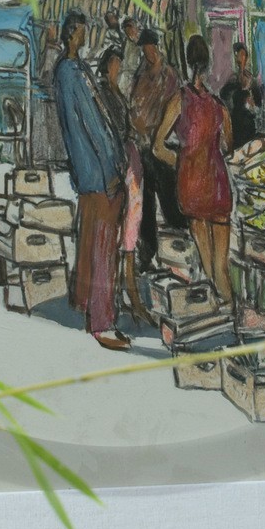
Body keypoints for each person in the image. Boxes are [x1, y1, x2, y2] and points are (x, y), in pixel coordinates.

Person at [52, 11, 129, 351]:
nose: (85, 36)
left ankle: (83, 301)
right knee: (103, 246)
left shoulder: (73, 68)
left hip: (88, 170)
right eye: (82, 31)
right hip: (97, 171)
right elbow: (92, 126)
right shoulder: (71, 72)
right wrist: (112, 168)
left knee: (90, 240)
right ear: (72, 33)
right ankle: (102, 321)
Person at [153, 35, 233, 305]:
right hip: (218, 185)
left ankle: (215, 314)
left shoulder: (179, 100)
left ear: (188, 63)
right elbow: (228, 145)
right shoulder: (219, 106)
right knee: (222, 268)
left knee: (207, 265)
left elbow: (157, 147)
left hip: (193, 186)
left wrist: (182, 161)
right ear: (208, 64)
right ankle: (230, 310)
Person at [97, 47, 152, 324]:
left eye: (119, 62)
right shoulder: (104, 94)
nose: (118, 67)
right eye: (115, 63)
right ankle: (127, 294)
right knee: (126, 227)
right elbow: (113, 131)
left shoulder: (116, 92)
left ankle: (128, 292)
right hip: (121, 163)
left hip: (130, 161)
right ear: (107, 65)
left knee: (132, 224)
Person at [128, 28, 185, 270]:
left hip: (161, 145)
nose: (146, 52)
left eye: (148, 48)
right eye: (143, 49)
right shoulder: (141, 74)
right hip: (143, 145)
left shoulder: (169, 74)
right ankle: (147, 254)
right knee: (147, 203)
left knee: (170, 202)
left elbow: (175, 110)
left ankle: (178, 255)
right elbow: (134, 103)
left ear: (155, 46)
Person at [217, 41, 263, 151]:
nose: (241, 58)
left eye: (243, 55)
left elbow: (259, 104)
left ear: (246, 57)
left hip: (250, 124)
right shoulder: (232, 80)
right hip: (237, 124)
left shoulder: (252, 80)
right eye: (238, 55)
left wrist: (253, 106)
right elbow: (224, 96)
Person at [118, 16, 143, 96]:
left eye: (131, 30)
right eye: (127, 32)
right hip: (126, 75)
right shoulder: (126, 42)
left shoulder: (142, 43)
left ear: (136, 28)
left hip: (137, 76)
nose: (130, 34)